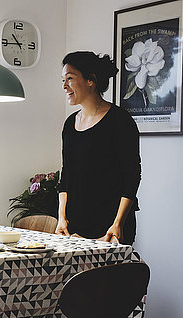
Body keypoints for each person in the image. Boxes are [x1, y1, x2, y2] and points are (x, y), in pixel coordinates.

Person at [56, 51, 141, 245]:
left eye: (70, 78)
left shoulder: (120, 121)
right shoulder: (70, 123)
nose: (64, 86)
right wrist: (62, 217)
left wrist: (118, 223)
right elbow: (66, 174)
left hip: (110, 227)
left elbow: (132, 176)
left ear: (90, 80)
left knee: (107, 276)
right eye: (63, 80)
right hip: (74, 226)